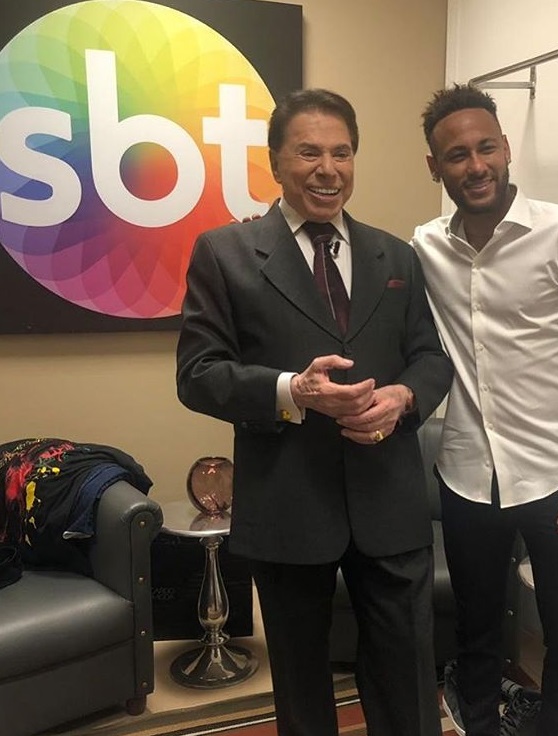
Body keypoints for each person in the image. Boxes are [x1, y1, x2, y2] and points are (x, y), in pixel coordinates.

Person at [176, 88, 453, 736]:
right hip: (288, 504)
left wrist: (404, 396)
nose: (328, 169)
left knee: (410, 682)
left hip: (389, 500)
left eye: (341, 153)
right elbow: (196, 374)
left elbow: (430, 357)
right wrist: (290, 391)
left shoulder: (396, 256)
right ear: (275, 160)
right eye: (308, 153)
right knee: (302, 692)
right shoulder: (225, 253)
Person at [411, 84, 558, 736]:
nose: (475, 165)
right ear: (434, 166)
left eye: (486, 147)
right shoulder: (423, 247)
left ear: (506, 148)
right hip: (466, 479)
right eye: (456, 155)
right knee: (477, 633)